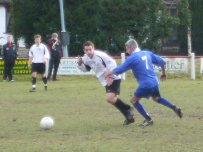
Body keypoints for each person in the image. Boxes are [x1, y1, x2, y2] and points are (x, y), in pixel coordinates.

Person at [105, 39, 183, 128]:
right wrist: (164, 73)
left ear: (131, 48)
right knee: (156, 98)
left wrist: (109, 73)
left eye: (126, 49)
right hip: (155, 82)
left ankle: (148, 119)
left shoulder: (132, 58)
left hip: (146, 84)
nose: (126, 51)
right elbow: (162, 62)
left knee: (134, 101)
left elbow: (120, 69)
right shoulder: (147, 53)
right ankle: (174, 107)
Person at [77, 41, 134, 125]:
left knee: (109, 98)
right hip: (104, 80)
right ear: (84, 50)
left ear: (93, 48)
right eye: (86, 50)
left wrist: (110, 76)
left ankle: (127, 109)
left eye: (90, 49)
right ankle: (128, 115)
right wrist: (80, 64)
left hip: (113, 77)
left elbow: (113, 63)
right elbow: (86, 69)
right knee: (113, 99)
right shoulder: (85, 58)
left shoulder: (100, 55)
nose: (88, 51)